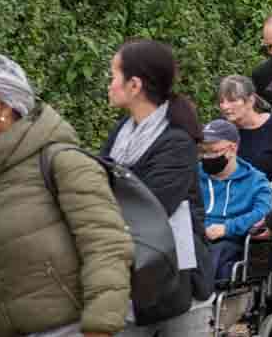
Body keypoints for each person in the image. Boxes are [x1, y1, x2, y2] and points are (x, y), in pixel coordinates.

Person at [0, 55, 133, 337]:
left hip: (66, 328)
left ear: (3, 108)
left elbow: (106, 245)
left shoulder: (63, 161)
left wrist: (100, 327)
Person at [103, 39, 214, 334]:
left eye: (113, 76)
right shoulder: (121, 133)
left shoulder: (176, 142)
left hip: (175, 280)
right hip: (132, 276)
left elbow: (148, 207)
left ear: (134, 85)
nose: (109, 85)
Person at [197, 119, 272, 281]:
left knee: (217, 252)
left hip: (229, 242)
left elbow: (264, 212)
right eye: (203, 151)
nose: (206, 156)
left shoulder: (256, 181)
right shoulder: (193, 175)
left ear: (232, 149)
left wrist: (227, 228)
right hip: (194, 237)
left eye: (213, 151)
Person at [218, 74, 272, 183]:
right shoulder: (219, 130)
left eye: (232, 100)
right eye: (221, 101)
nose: (225, 106)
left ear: (250, 100)